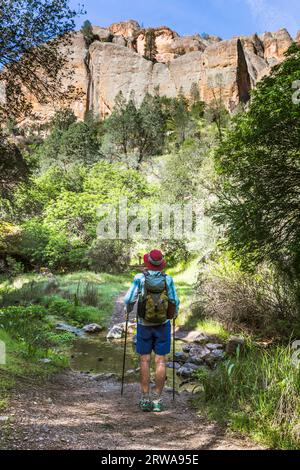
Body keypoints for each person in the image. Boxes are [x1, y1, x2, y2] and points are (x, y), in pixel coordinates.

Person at [124, 249, 180, 412]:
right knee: (161, 361)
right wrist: (173, 314)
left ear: (147, 263)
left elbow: (129, 299)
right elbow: (174, 301)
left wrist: (128, 310)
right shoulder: (168, 279)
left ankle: (145, 398)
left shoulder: (139, 278)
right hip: (163, 325)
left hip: (144, 324)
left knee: (144, 360)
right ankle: (157, 400)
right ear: (161, 264)